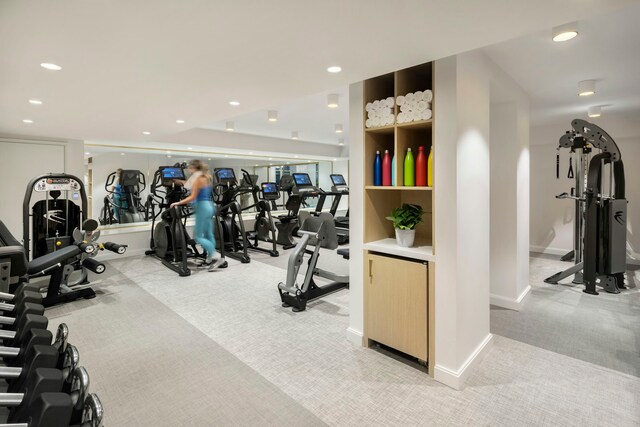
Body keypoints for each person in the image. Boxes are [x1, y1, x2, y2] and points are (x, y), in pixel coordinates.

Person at [170, 160, 224, 271]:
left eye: (190, 168)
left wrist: (178, 203)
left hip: (202, 207)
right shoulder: (206, 177)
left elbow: (192, 196)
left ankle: (216, 256)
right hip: (209, 206)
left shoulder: (198, 179)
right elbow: (193, 186)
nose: (189, 170)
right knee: (209, 235)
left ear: (194, 168)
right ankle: (209, 259)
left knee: (198, 237)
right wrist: (180, 181)